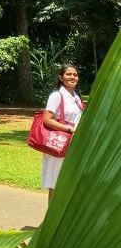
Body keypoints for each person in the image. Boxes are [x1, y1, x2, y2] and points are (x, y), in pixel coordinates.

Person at [42, 64, 83, 201]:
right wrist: (70, 129)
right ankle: (51, 220)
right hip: (59, 145)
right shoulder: (57, 96)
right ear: (61, 77)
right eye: (68, 74)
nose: (72, 77)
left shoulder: (76, 97)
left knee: (68, 183)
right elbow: (46, 120)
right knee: (56, 183)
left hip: (73, 145)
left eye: (75, 74)